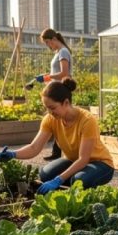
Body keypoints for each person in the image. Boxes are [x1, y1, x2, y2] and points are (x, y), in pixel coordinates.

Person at [0, 78, 114, 194]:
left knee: (80, 180)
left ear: (66, 103)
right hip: (72, 160)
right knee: (45, 175)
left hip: (100, 163)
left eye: (52, 108)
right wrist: (13, 154)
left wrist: (59, 179)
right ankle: (74, 184)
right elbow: (34, 148)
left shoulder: (87, 120)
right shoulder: (50, 119)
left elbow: (83, 159)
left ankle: (85, 187)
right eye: (47, 108)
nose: (49, 112)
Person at [31, 28, 73, 161]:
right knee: (57, 120)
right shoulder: (59, 52)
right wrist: (47, 79)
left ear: (54, 39)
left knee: (60, 120)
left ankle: (61, 151)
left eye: (48, 42)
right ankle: (57, 152)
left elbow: (64, 73)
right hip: (56, 90)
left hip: (61, 92)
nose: (48, 45)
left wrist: (46, 78)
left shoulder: (63, 52)